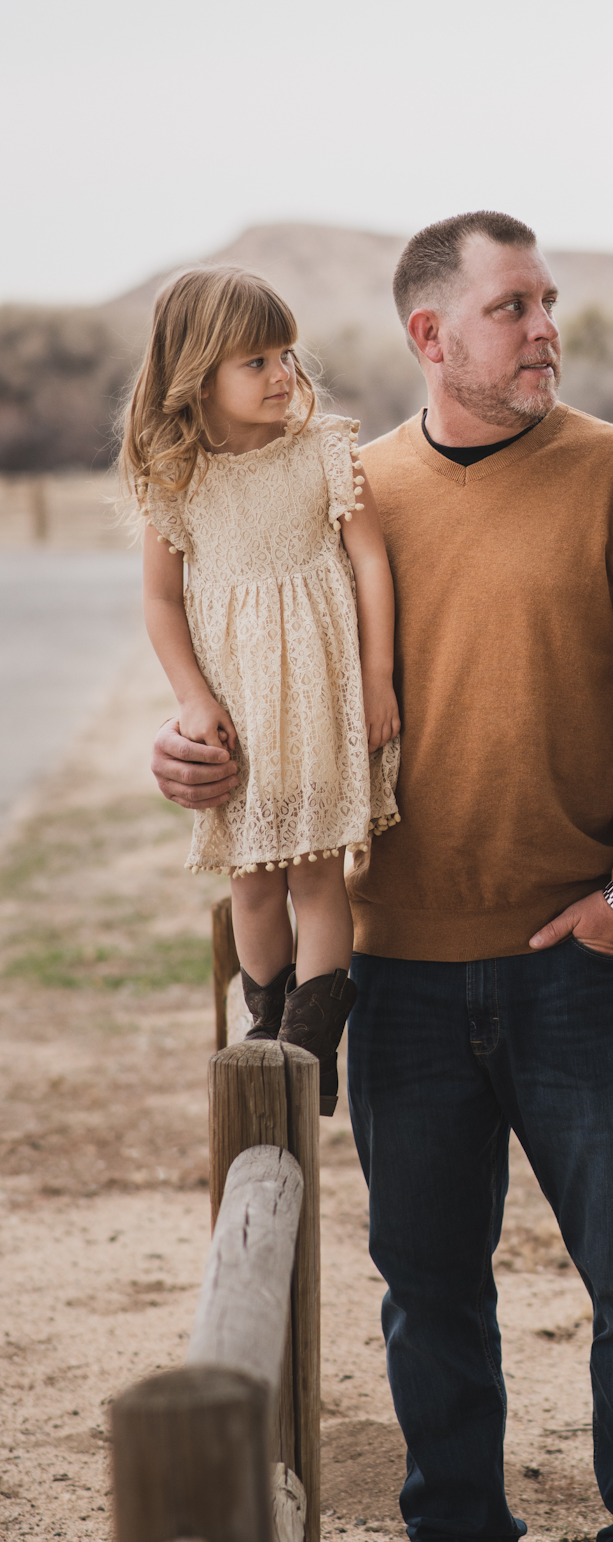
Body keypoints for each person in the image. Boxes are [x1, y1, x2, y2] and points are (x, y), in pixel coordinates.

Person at [150, 211, 613, 1542]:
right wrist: (190, 755)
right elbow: (233, 655)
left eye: (547, 302)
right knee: (425, 1287)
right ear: (431, 336)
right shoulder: (339, 484)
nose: (544, 327)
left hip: (573, 967)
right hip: (396, 972)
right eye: (512, 307)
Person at [124, 266, 401, 1111]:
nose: (283, 374)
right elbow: (161, 603)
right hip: (241, 710)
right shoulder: (177, 478)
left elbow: (370, 561)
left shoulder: (322, 451)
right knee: (251, 875)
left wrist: (379, 678)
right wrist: (193, 699)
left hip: (321, 700)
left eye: (285, 354)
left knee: (318, 873)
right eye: (256, 361)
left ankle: (310, 1052)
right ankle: (266, 1029)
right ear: (197, 374)